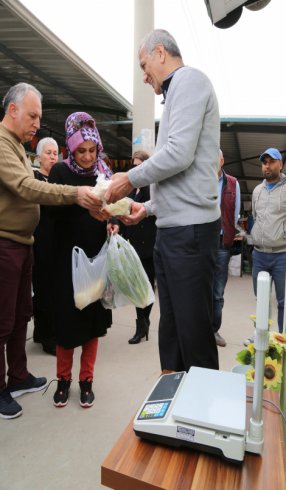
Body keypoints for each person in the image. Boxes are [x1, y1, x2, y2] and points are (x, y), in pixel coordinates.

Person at [104, 29, 221, 373]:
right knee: (171, 330)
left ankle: (201, 416)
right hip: (173, 232)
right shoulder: (175, 94)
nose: (144, 76)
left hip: (190, 233)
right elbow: (182, 173)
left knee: (193, 335)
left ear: (160, 52)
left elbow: (178, 155)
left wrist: (129, 180)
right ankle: (171, 403)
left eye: (144, 65)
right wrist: (148, 209)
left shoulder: (189, 81)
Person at [0, 82, 103, 419]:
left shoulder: (15, 144)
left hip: (22, 243)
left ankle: (18, 377)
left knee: (18, 319)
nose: (36, 123)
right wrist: (74, 194)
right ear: (12, 110)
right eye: (32, 115)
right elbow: (26, 186)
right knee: (3, 322)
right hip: (7, 244)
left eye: (39, 117)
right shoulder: (2, 144)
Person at [48, 111, 117, 409]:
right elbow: (51, 215)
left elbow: (115, 209)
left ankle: (86, 381)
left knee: (92, 325)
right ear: (70, 149)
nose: (88, 157)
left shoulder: (105, 174)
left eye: (92, 150)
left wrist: (115, 223)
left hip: (98, 259)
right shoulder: (60, 174)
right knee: (67, 325)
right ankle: (63, 380)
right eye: (81, 151)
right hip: (67, 261)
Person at [244, 147, 286, 345]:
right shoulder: (257, 190)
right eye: (264, 162)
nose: (267, 166)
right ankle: (261, 337)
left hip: (282, 255)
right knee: (261, 299)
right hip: (259, 255)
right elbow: (255, 216)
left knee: (283, 301)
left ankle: (282, 338)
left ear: (281, 164)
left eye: (271, 162)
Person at [122, 150, 156, 344]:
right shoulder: (130, 189)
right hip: (134, 242)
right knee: (136, 285)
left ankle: (144, 323)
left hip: (149, 243)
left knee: (147, 285)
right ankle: (141, 324)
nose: (135, 168)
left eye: (138, 165)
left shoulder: (151, 188)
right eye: (133, 165)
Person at [32, 137, 59, 356]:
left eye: (55, 152)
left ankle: (43, 331)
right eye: (48, 152)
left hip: (58, 243)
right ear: (39, 156)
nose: (52, 156)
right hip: (39, 242)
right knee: (42, 290)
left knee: (53, 290)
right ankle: (46, 336)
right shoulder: (33, 178)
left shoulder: (59, 179)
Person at [212, 150, 241, 347]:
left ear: (222, 160)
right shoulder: (200, 179)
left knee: (218, 292)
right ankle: (199, 330)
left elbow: (236, 213)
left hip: (222, 243)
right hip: (201, 242)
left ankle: (213, 330)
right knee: (199, 288)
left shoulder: (233, 183)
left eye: (217, 157)